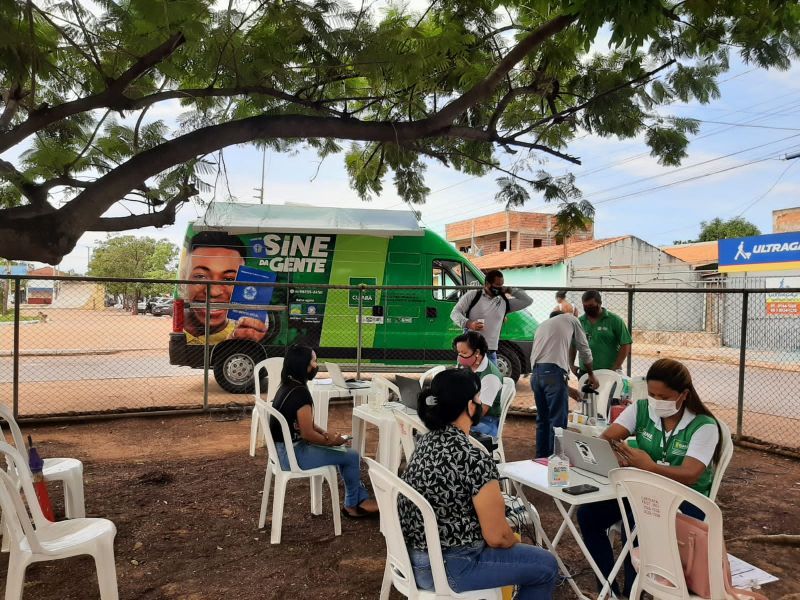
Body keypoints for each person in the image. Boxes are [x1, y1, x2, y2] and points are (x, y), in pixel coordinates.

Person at [399, 369, 558, 598]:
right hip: (453, 567)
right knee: (546, 566)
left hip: (414, 562)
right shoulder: (473, 457)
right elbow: (497, 537)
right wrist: (512, 540)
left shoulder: (424, 442)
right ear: (469, 406)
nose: (480, 402)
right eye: (477, 397)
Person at [577, 358, 722, 596]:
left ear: (683, 394)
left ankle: (634, 593)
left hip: (685, 502)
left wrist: (648, 466)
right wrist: (619, 454)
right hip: (642, 492)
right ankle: (608, 590)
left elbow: (691, 474)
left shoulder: (703, 425)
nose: (656, 402)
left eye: (664, 397)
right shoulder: (642, 409)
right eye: (652, 394)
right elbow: (607, 439)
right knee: (588, 515)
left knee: (634, 521)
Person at [269, 344, 378, 518]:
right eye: (313, 361)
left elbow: (308, 425)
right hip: (293, 456)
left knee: (343, 453)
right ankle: (352, 505)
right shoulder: (300, 393)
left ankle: (359, 500)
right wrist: (330, 442)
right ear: (303, 365)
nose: (316, 365)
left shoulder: (287, 385)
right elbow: (307, 434)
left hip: (281, 452)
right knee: (351, 456)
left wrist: (325, 434)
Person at [530, 311, 598, 458]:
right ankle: (557, 461)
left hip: (536, 375)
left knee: (543, 420)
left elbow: (546, 374)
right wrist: (591, 374)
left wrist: (566, 388)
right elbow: (583, 348)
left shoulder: (542, 326)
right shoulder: (571, 319)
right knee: (557, 422)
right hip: (553, 373)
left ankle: (542, 460)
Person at [183, 231, 268, 345]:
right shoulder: (179, 328)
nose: (214, 291)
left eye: (229, 279)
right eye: (201, 276)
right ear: (183, 279)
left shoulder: (245, 332)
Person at [450, 269, 532, 365]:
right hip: (470, 350)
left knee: (492, 379)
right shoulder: (473, 295)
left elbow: (527, 300)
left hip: (490, 352)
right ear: (488, 284)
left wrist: (510, 290)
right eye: (497, 285)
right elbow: (454, 313)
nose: (500, 288)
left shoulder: (503, 302)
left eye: (502, 285)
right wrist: (469, 324)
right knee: (467, 379)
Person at [453, 331, 503, 437]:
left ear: (477, 353)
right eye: (459, 353)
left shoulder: (490, 377)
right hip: (466, 413)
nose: (460, 357)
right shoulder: (469, 365)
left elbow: (479, 414)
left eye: (464, 353)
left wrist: (455, 422)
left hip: (485, 422)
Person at [570, 290, 632, 374]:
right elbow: (573, 345)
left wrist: (616, 366)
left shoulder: (615, 320)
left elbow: (626, 344)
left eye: (591, 305)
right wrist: (571, 364)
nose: (588, 308)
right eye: (585, 306)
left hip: (609, 371)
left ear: (599, 303)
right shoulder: (579, 322)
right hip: (585, 371)